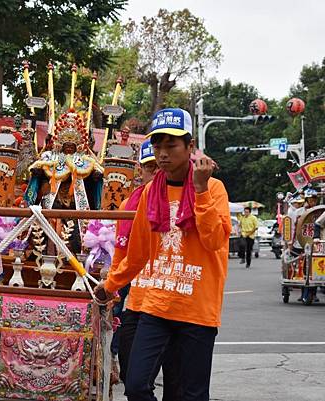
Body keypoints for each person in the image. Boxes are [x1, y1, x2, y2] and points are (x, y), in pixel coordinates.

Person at [95, 107, 231, 401]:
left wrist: (201, 190)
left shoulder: (215, 189)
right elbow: (138, 253)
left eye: (172, 145)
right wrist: (110, 286)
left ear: (190, 147)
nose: (163, 154)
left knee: (192, 395)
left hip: (198, 310)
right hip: (156, 306)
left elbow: (214, 241)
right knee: (136, 386)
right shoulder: (148, 193)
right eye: (158, 146)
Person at [111, 139, 180, 399]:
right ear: (140, 169)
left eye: (158, 168)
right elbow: (121, 252)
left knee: (176, 385)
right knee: (134, 381)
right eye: (149, 167)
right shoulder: (129, 204)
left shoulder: (182, 200)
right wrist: (112, 286)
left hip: (172, 301)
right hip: (139, 301)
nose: (154, 173)